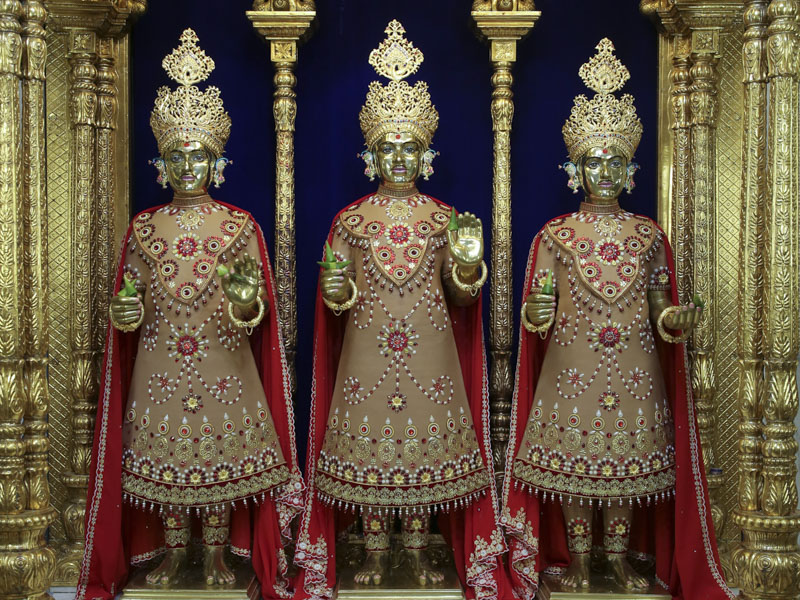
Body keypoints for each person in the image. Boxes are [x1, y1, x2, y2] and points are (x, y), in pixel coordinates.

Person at [502, 38, 733, 600]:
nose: (604, 171)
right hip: (571, 370)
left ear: (631, 170)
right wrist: (535, 311)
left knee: (627, 472)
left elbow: (659, 310)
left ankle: (620, 561)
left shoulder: (649, 236)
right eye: (594, 161)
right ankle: (579, 563)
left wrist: (675, 318)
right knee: (577, 470)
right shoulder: (554, 236)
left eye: (615, 162)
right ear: (574, 169)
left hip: (633, 371)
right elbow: (536, 311)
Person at [76, 29, 303, 600]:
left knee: (220, 452)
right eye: (175, 156)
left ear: (216, 161)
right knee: (166, 459)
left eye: (197, 155)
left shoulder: (241, 227)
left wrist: (246, 302)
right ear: (161, 163)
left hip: (224, 360)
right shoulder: (143, 228)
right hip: (160, 362)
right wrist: (124, 311)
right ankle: (176, 554)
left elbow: (259, 316)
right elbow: (128, 306)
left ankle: (220, 551)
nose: (186, 166)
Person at [294, 20, 509, 600]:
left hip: (429, 351)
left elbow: (461, 299)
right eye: (386, 148)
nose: (397, 158)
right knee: (371, 445)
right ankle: (374, 549)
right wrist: (335, 290)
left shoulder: (445, 219)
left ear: (426, 154)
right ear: (370, 155)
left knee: (422, 446)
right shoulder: (349, 221)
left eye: (408, 148)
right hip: (367, 353)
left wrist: (468, 268)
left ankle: (415, 552)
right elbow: (335, 298)